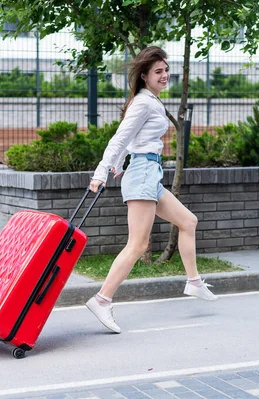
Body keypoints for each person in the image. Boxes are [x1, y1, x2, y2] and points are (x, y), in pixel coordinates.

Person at [86, 46, 218, 334]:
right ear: (144, 76)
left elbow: (131, 142)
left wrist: (119, 165)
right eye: (158, 71)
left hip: (149, 174)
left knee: (188, 221)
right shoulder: (143, 103)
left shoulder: (150, 101)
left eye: (166, 70)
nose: (165, 75)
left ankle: (194, 282)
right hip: (143, 175)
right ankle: (101, 299)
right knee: (138, 244)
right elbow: (119, 139)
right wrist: (101, 172)